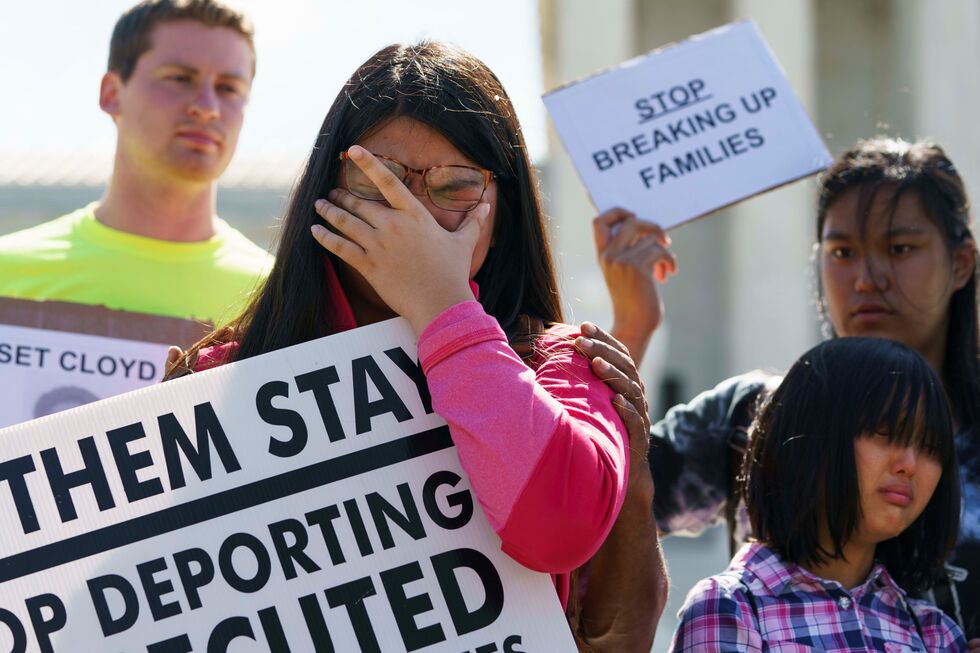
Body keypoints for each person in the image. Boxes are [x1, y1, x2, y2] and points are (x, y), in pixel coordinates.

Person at [166, 41, 652, 635]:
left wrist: (441, 307)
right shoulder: (224, 374)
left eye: (454, 188)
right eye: (380, 182)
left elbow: (555, 533)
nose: (414, 222)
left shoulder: (563, 366)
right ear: (325, 196)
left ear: (503, 219)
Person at [595, 137, 980, 643]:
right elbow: (591, 508)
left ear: (961, 264)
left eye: (899, 248)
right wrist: (633, 324)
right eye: (843, 251)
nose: (866, 278)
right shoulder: (751, 414)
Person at [670, 337, 966, 651]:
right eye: (884, 433)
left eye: (931, 448)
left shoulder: (936, 633)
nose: (909, 464)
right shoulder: (729, 609)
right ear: (810, 441)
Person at [0, 0, 272, 324]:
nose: (208, 107)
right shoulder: (9, 273)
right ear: (111, 93)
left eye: (229, 88)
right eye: (180, 78)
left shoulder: (276, 298)